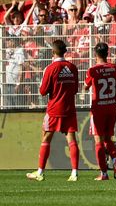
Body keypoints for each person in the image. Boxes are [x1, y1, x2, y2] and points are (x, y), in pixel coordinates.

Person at [26, 39, 81, 182]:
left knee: (46, 138)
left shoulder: (50, 68)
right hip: (69, 108)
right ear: (65, 51)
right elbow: (75, 89)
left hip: (54, 109)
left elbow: (43, 91)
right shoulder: (73, 67)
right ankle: (74, 173)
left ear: (53, 52)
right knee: (72, 139)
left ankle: (40, 172)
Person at [83, 42, 116, 180]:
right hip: (111, 106)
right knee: (108, 139)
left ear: (95, 54)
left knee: (98, 140)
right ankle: (115, 160)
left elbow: (86, 86)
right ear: (107, 53)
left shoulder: (92, 70)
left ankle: (104, 173)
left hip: (98, 108)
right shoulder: (115, 68)